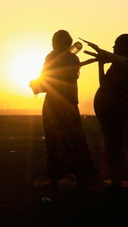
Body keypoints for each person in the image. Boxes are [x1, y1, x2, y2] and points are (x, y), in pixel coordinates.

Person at [86, 34, 128, 190]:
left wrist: (100, 55)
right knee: (125, 145)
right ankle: (125, 178)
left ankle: (121, 179)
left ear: (122, 47)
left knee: (121, 145)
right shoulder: (126, 64)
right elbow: (104, 86)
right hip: (123, 110)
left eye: (116, 45)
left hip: (123, 111)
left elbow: (111, 87)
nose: (113, 48)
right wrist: (101, 65)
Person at [32, 29, 96, 188]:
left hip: (54, 106)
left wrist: (34, 84)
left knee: (54, 140)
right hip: (70, 105)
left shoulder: (52, 57)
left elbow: (46, 81)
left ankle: (57, 177)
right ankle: (81, 176)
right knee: (74, 139)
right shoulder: (73, 58)